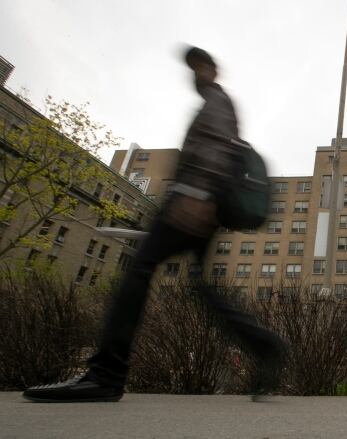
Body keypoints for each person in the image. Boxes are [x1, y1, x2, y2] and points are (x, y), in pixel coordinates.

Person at [23, 46, 284, 403]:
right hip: (198, 201)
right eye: (191, 67)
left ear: (211, 70)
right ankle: (266, 346)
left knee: (138, 270)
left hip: (192, 200)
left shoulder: (217, 103)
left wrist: (198, 195)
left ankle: (106, 375)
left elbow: (215, 149)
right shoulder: (215, 103)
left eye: (199, 67)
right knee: (199, 287)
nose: (195, 74)